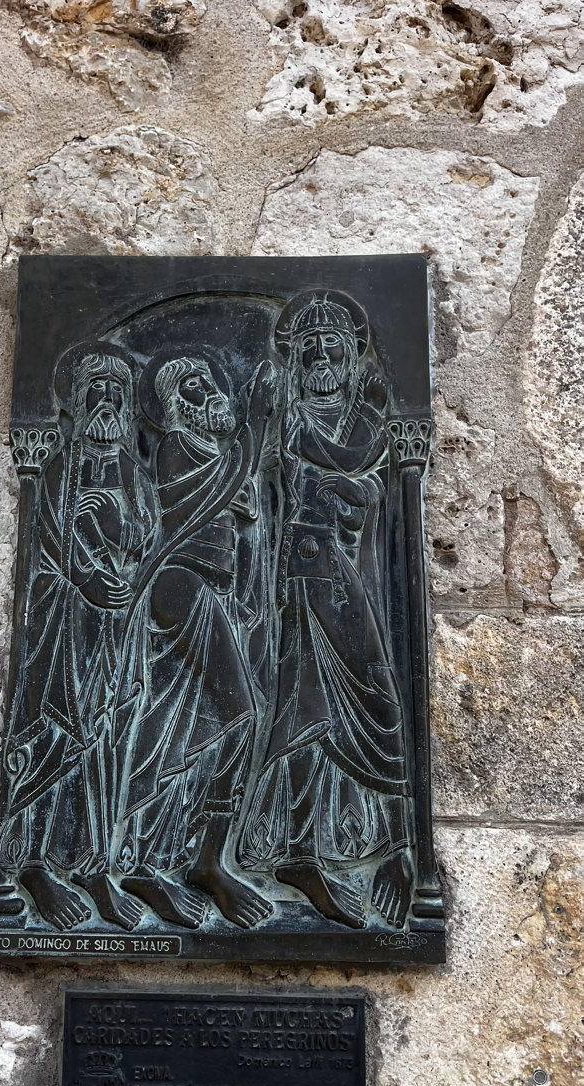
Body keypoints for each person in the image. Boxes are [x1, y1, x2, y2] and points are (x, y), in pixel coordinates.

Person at [242, 292, 414, 930]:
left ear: (348, 356)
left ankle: (388, 845)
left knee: (374, 700)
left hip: (350, 572)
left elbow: (354, 469)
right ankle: (301, 853)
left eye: (331, 347)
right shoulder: (287, 420)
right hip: (308, 570)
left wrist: (354, 489)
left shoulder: (354, 420)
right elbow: (277, 481)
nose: (319, 357)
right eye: (308, 347)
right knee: (307, 703)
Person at [112, 355, 276, 929]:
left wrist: (247, 584)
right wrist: (257, 422)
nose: (209, 390)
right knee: (239, 714)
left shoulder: (213, 454)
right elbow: (215, 494)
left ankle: (163, 859)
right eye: (193, 385)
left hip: (210, 592)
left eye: (209, 379)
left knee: (182, 726)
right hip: (180, 587)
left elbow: (238, 526)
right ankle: (196, 860)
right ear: (175, 404)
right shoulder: (176, 448)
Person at [0, 347, 156, 931]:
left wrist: (117, 531)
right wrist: (85, 573)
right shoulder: (62, 465)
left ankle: (92, 865)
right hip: (65, 624)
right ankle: (33, 865)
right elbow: (46, 530)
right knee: (57, 734)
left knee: (106, 741)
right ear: (79, 402)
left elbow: (145, 536)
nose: (106, 403)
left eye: (116, 394)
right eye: (96, 392)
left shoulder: (133, 472)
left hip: (116, 625)